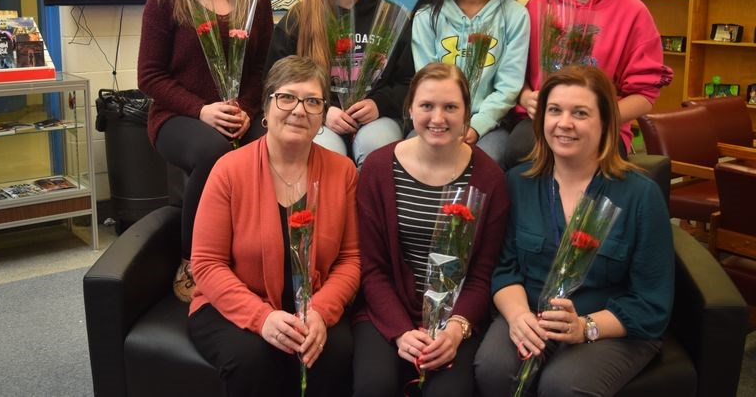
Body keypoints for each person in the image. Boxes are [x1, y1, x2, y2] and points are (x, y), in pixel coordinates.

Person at [474, 65, 674, 396]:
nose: (564, 123)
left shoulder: (640, 195)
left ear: (606, 122)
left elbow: (651, 302)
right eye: (554, 110)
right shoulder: (518, 183)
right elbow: (504, 268)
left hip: (610, 327)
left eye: (580, 113)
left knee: (563, 386)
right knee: (494, 368)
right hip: (533, 314)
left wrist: (584, 327)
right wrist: (519, 315)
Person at [188, 55, 359, 396]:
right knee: (254, 357)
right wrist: (261, 317)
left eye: (313, 101)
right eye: (286, 97)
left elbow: (351, 258)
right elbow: (206, 263)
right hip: (232, 303)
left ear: (323, 116)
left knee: (334, 352)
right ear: (265, 109)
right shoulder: (228, 170)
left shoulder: (343, 173)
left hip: (312, 304)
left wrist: (321, 313)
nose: (299, 110)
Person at [137, 0, 273, 302]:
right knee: (215, 151)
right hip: (177, 117)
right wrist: (202, 110)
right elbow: (149, 77)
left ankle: (258, 256)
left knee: (271, 148)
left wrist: (246, 111)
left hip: (239, 113)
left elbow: (259, 71)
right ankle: (193, 260)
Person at [353, 63, 509, 396]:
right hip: (387, 311)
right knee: (374, 387)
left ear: (467, 111)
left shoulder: (490, 178)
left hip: (456, 319)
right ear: (410, 108)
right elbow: (372, 269)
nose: (438, 118)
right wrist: (400, 332)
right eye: (427, 106)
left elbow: (482, 274)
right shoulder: (378, 169)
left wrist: (455, 329)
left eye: (450, 107)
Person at [505, 0, 672, 168]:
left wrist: (597, 116)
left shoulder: (633, 13)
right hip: (543, 122)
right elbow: (513, 73)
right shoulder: (537, 7)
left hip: (604, 126)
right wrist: (526, 97)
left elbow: (645, 96)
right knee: (519, 152)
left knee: (586, 164)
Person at [265, 0, 414, 167]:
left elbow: (408, 83)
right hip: (315, 116)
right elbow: (276, 83)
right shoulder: (298, 19)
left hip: (377, 119)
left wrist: (379, 104)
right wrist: (321, 109)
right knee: (325, 154)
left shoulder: (393, 17)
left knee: (376, 148)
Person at [411, 0, 530, 168]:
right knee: (412, 158)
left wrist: (477, 126)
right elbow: (426, 82)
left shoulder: (515, 15)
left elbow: (509, 85)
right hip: (436, 120)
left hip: (489, 125)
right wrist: (444, 121)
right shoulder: (426, 16)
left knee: (485, 163)